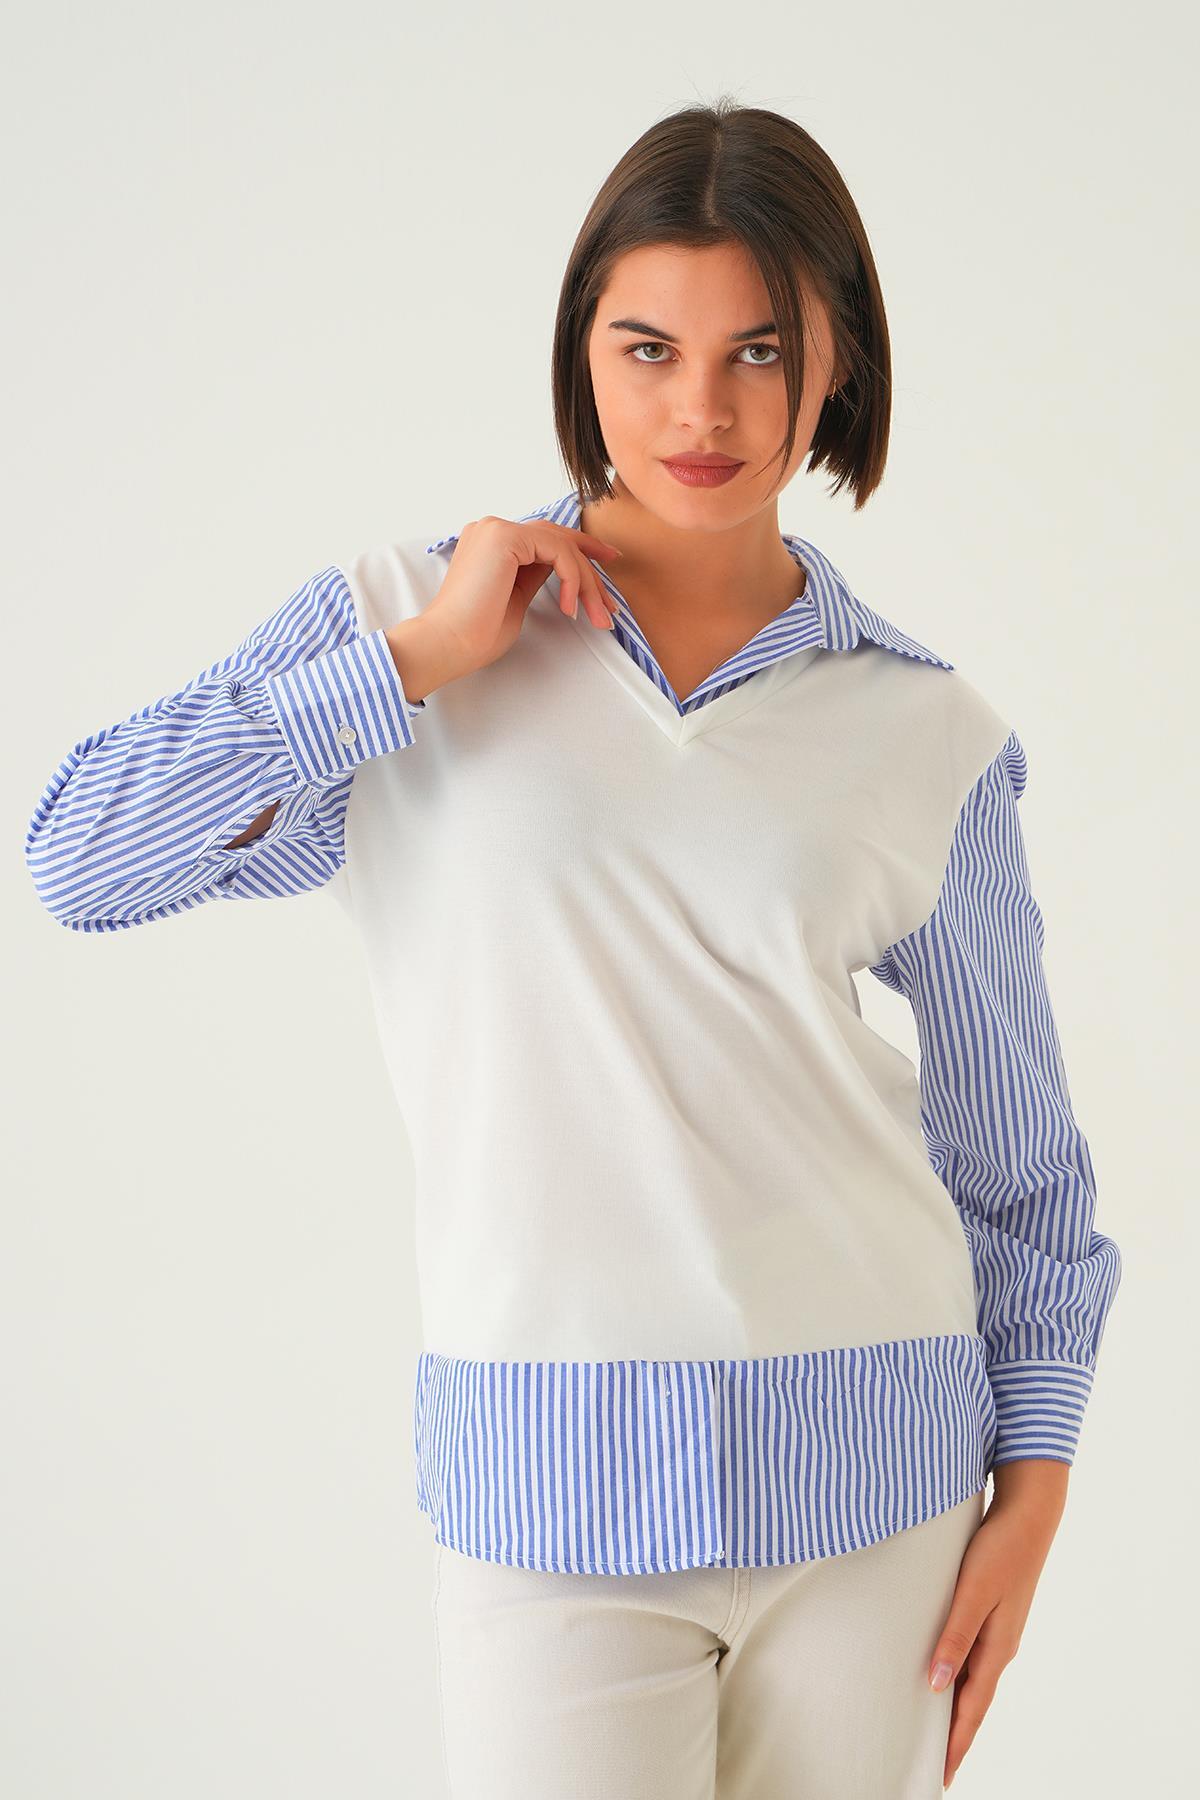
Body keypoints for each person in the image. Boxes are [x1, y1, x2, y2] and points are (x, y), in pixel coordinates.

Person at [25, 97, 1121, 1799]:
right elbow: (80, 857)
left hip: (881, 1488)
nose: (702, 410)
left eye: (761, 350)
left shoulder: (927, 730)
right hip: (550, 1500)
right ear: (580, 350)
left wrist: (1034, 1490)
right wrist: (412, 666)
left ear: (838, 357)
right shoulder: (406, 622)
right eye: (648, 347)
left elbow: (1022, 1166)